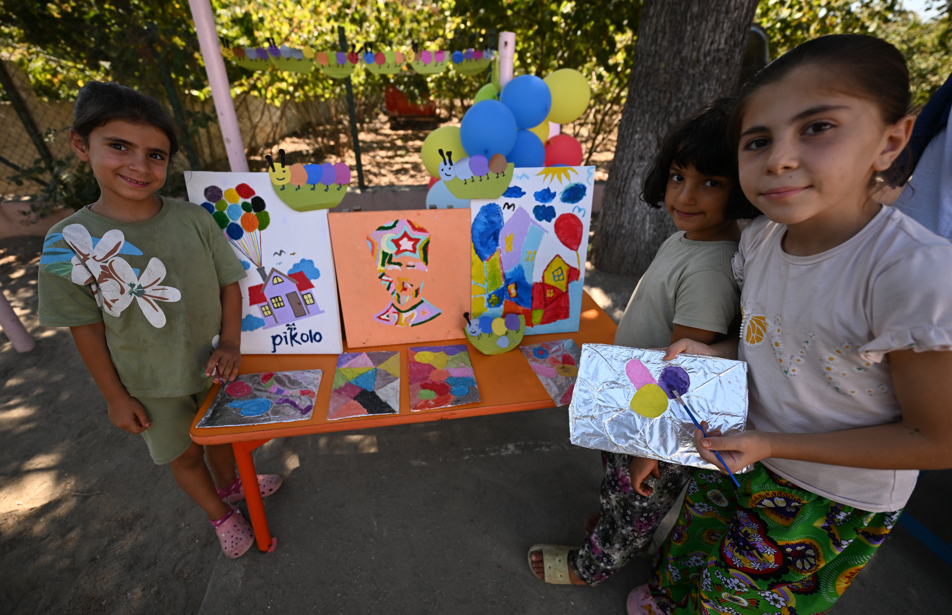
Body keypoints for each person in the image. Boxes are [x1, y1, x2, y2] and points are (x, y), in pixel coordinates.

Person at [628, 35, 952, 615]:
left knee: (734, 601)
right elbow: (769, 343)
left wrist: (773, 443)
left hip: (825, 497)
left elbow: (937, 440)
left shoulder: (914, 275)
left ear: (892, 140)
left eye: (818, 127)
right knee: (687, 558)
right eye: (758, 140)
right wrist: (710, 353)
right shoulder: (759, 240)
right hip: (737, 451)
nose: (778, 158)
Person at [37, 82, 282, 559]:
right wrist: (115, 398)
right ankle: (220, 514)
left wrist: (230, 343)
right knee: (184, 454)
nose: (139, 165)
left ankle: (232, 486)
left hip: (214, 368)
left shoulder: (194, 219)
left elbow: (230, 282)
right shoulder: (67, 243)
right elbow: (84, 327)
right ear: (80, 144)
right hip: (149, 383)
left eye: (156, 155)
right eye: (119, 146)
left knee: (221, 439)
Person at [529, 98, 760, 586]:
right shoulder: (689, 239)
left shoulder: (712, 270)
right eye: (678, 176)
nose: (685, 196)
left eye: (711, 183)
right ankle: (617, 528)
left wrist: (650, 451)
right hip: (634, 399)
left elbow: (683, 375)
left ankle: (592, 566)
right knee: (621, 492)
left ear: (743, 185)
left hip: (658, 423)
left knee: (636, 500)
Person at [367, 218, 442, 326]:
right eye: (395, 266)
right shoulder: (381, 319)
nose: (403, 275)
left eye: (412, 266)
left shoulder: (432, 315)